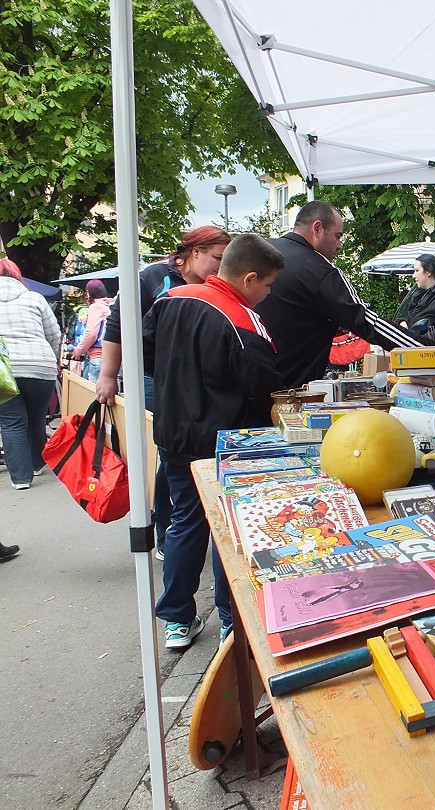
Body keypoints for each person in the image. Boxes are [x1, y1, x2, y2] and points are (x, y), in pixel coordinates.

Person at [142, 233, 284, 650]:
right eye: (268, 285)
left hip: (173, 432)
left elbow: (148, 355)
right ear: (250, 278)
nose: (269, 293)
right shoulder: (242, 317)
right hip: (226, 439)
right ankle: (230, 619)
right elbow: (263, 383)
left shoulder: (170, 299)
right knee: (229, 528)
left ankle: (177, 620)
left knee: (186, 520)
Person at [95, 225, 232, 560]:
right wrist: (107, 375)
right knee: (169, 452)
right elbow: (118, 324)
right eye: (217, 257)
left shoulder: (214, 286)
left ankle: (184, 526)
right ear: (194, 252)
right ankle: (166, 527)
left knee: (182, 454)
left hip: (197, 385)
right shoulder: (154, 277)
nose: (220, 266)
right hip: (152, 377)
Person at [257, 200, 424, 388]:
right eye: (337, 236)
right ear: (317, 228)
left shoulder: (261, 252)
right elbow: (367, 322)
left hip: (250, 388)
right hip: (291, 391)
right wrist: (425, 349)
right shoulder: (320, 270)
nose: (340, 245)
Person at [0, 258, 61, 490]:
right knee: (36, 419)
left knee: (11, 422)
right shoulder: (35, 298)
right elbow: (53, 334)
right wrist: (52, 357)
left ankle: (21, 479)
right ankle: (36, 463)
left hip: (3, 370)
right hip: (39, 365)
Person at [70, 279, 113, 383]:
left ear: (89, 293)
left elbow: (91, 333)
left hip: (97, 357)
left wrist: (78, 350)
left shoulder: (96, 307)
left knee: (92, 395)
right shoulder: (111, 306)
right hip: (112, 359)